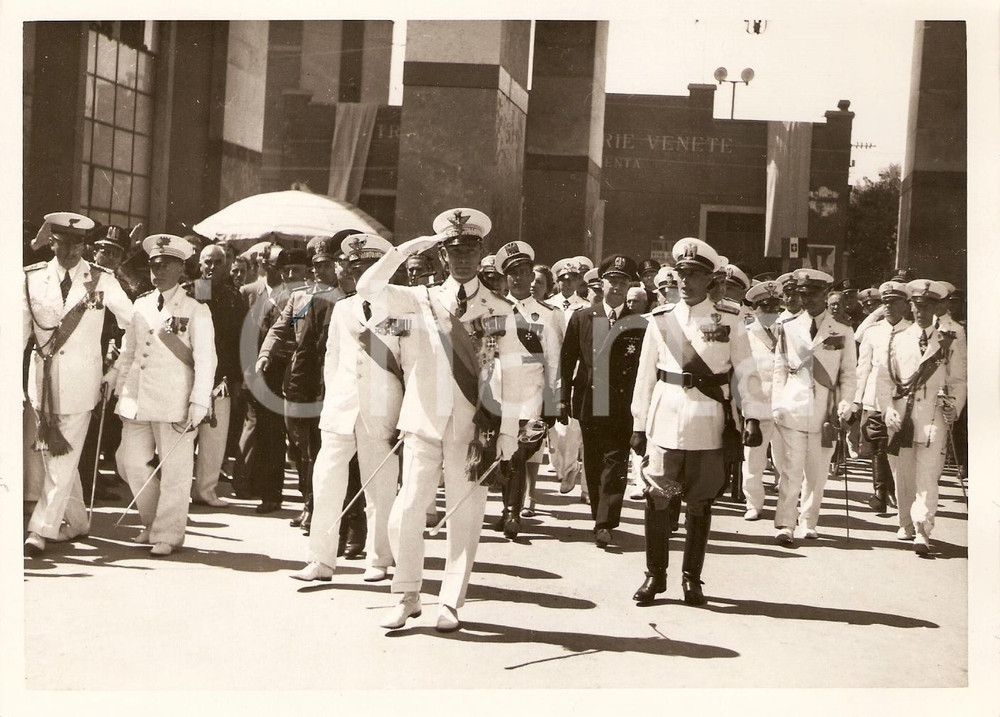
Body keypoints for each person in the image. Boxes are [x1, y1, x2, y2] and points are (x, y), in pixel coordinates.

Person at [355, 208, 524, 633]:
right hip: (423, 423)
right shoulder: (419, 300)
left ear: (481, 252)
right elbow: (367, 286)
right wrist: (405, 249)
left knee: (465, 518)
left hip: (473, 427)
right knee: (407, 511)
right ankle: (407, 595)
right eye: (453, 250)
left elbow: (515, 372)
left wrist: (508, 432)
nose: (462, 258)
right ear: (443, 256)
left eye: (469, 249)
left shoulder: (498, 307)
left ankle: (450, 601)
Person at [629, 238, 765, 606]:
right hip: (665, 423)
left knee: (699, 503)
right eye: (681, 274)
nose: (686, 281)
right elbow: (646, 376)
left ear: (710, 280)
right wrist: (639, 425)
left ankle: (692, 580)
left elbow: (746, 373)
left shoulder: (730, 319)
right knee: (659, 499)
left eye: (695, 275)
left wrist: (752, 416)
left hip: (708, 425)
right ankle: (655, 577)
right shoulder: (660, 320)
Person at [290, 233, 403, 583]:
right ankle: (320, 560)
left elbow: (411, 363)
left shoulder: (402, 307)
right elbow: (332, 361)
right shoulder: (343, 308)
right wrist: (332, 403)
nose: (361, 275)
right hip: (341, 407)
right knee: (325, 480)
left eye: (369, 267)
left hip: (383, 408)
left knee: (380, 485)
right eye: (355, 268)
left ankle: (380, 558)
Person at [23, 212, 134, 556]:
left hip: (81, 384)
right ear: (52, 241)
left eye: (78, 244)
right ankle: (78, 521)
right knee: (57, 460)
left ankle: (40, 529)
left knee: (60, 460)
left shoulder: (102, 279)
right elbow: (16, 333)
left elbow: (134, 321)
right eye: (64, 243)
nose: (72, 251)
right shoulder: (31, 278)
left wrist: (117, 370)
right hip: (41, 383)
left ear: (86, 245)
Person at [106, 234, 216, 557]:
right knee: (129, 462)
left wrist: (199, 402)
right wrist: (119, 388)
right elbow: (129, 352)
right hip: (138, 398)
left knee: (176, 471)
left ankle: (168, 533)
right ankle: (153, 522)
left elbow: (206, 360)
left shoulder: (196, 309)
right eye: (154, 264)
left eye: (167, 264)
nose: (159, 270)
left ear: (181, 268)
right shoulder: (141, 304)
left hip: (175, 401)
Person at [559, 254, 647, 548]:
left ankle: (606, 522)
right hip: (590, 400)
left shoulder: (638, 323)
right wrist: (560, 399)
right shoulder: (584, 317)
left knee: (616, 460)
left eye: (623, 282)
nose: (617, 287)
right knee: (595, 462)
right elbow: (567, 359)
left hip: (622, 404)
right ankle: (600, 515)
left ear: (629, 286)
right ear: (602, 284)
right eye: (612, 281)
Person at [876, 280, 967, 554]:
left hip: (933, 414)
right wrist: (887, 409)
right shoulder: (898, 337)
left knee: (928, 474)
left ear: (938, 307)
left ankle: (922, 528)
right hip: (902, 416)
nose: (921, 311)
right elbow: (883, 379)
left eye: (927, 305)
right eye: (917, 305)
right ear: (911, 306)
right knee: (902, 473)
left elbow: (959, 380)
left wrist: (955, 405)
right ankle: (905, 521)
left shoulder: (949, 337)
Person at [772, 269, 857, 545]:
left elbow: (848, 374)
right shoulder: (788, 327)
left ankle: (809, 521)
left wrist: (846, 403)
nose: (806, 299)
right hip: (793, 405)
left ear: (825, 294)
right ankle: (785, 523)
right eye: (802, 294)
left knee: (817, 471)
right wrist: (777, 403)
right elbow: (780, 369)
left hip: (826, 410)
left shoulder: (842, 330)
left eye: (812, 294)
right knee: (791, 468)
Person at [493, 240, 562, 537]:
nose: (519, 278)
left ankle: (512, 512)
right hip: (497, 392)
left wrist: (553, 402)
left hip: (531, 393)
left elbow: (554, 361)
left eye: (524, 272)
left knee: (519, 452)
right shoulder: (494, 308)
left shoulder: (548, 314)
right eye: (513, 273)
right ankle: (506, 506)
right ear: (506, 277)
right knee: (500, 453)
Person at [238, 244, 295, 512]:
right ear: (262, 266)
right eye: (273, 266)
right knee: (251, 429)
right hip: (250, 372)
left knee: (272, 434)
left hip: (278, 375)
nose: (280, 272)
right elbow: (236, 334)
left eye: (282, 267)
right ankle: (244, 483)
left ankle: (271, 494)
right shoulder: (248, 292)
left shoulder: (292, 295)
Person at [189, 244, 247, 508]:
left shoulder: (235, 296)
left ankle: (206, 489)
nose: (212, 267)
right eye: (207, 262)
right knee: (185, 434)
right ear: (200, 264)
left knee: (215, 436)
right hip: (191, 371)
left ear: (226, 264)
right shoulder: (196, 290)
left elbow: (238, 340)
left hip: (222, 376)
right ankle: (179, 488)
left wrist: (234, 377)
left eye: (218, 262)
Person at [853, 280, 911, 512]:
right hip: (875, 397)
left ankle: (893, 489)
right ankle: (880, 491)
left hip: (903, 397)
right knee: (878, 444)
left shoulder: (912, 332)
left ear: (906, 306)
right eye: (885, 302)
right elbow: (863, 367)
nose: (888, 306)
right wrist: (857, 399)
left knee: (894, 445)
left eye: (893, 302)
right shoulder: (873, 332)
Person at [740, 280, 785, 521]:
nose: (770, 313)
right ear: (755, 310)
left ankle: (787, 506)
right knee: (754, 460)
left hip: (784, 405)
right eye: (765, 308)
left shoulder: (786, 332)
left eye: (774, 308)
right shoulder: (746, 335)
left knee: (786, 460)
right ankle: (753, 503)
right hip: (756, 406)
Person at [547, 258, 590, 498]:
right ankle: (562, 466)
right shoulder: (549, 305)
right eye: (563, 279)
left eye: (572, 278)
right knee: (555, 428)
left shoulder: (583, 307)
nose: (567, 283)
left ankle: (572, 468)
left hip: (574, 370)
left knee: (573, 426)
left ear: (578, 281)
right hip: (552, 368)